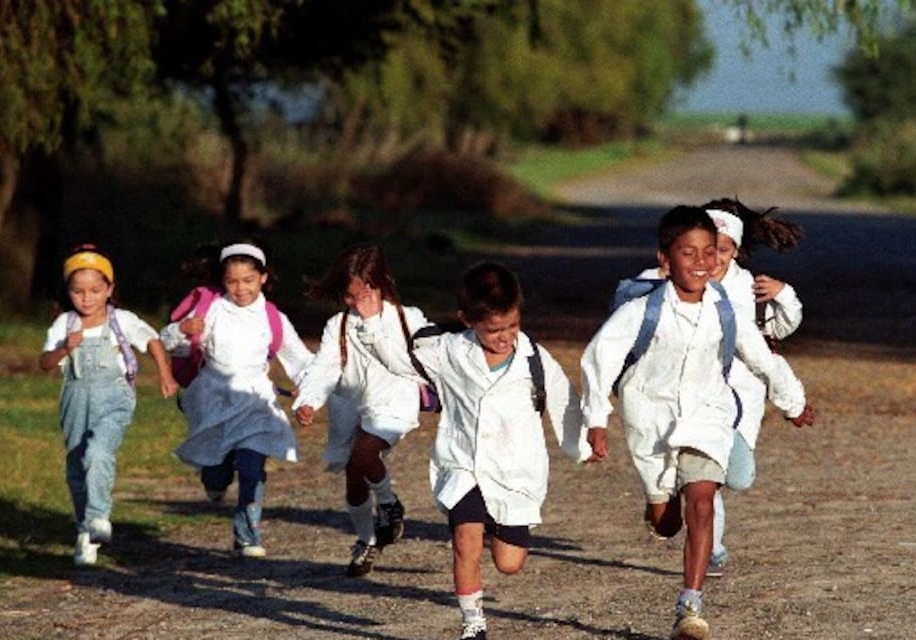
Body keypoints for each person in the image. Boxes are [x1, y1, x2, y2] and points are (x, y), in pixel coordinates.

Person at [580, 206, 814, 640]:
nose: (702, 262)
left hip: (708, 417)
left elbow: (762, 358)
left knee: (702, 502)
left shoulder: (725, 311)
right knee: (667, 523)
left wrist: (792, 401)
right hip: (651, 422)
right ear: (665, 259)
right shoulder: (640, 312)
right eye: (688, 253)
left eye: (709, 252)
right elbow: (599, 360)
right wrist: (596, 419)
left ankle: (690, 605)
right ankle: (658, 503)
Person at [360, 260, 603, 640]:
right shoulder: (449, 351)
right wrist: (373, 322)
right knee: (465, 540)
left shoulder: (534, 360)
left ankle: (495, 522)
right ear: (468, 320)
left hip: (514, 474)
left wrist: (584, 444)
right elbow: (399, 361)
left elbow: (564, 403)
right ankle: (473, 625)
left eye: (512, 326)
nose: (505, 337)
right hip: (464, 466)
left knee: (509, 563)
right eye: (493, 330)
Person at [637, 197, 806, 578]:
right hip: (684, 400)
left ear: (736, 251)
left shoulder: (748, 289)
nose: (711, 260)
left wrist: (783, 295)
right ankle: (710, 548)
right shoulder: (667, 281)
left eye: (723, 251)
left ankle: (679, 493)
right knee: (705, 481)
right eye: (705, 249)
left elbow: (776, 335)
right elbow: (630, 315)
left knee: (738, 477)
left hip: (740, 402)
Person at [160, 241, 314, 558]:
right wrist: (181, 329)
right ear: (223, 280)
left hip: (256, 401)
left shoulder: (272, 317)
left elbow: (299, 358)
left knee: (251, 466)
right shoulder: (211, 309)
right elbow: (170, 344)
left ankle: (247, 535)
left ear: (263, 278)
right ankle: (214, 480)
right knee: (216, 469)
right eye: (232, 281)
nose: (240, 289)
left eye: (248, 280)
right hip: (213, 398)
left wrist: (309, 390)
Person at [293, 244, 431, 577]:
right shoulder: (338, 325)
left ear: (380, 284)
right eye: (348, 296)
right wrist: (309, 399)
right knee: (354, 474)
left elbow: (423, 359)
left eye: (361, 295)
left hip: (393, 401)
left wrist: (373, 324)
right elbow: (324, 367)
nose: (355, 303)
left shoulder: (407, 318)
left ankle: (388, 503)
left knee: (364, 452)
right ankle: (367, 539)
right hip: (350, 405)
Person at [41, 244, 179, 566]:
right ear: (68, 292)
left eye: (95, 290)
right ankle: (85, 532)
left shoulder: (122, 320)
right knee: (77, 467)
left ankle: (99, 516)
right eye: (78, 291)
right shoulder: (65, 324)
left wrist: (165, 374)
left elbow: (152, 340)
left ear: (109, 289)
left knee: (98, 452)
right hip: (75, 399)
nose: (87, 298)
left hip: (114, 398)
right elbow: (45, 363)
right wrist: (64, 349)